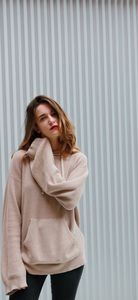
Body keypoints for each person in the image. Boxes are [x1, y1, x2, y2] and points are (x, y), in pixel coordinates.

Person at [1, 95, 89, 300]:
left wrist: (43, 157)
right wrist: (13, 271)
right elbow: (12, 216)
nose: (51, 120)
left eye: (53, 114)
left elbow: (69, 198)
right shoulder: (21, 160)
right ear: (36, 128)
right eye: (43, 118)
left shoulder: (77, 160)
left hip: (69, 256)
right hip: (29, 258)